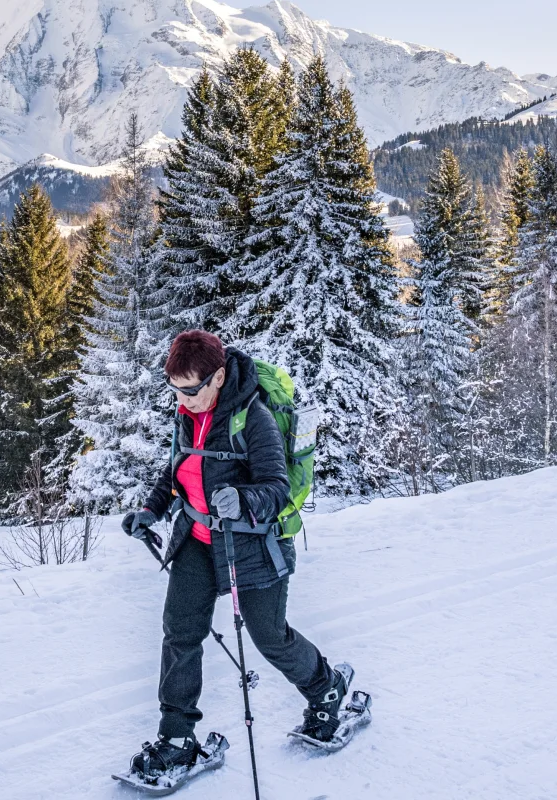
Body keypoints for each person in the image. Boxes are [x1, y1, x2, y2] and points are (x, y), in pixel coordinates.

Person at [122, 329, 347, 779]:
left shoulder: (254, 416)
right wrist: (150, 510)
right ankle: (177, 738)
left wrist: (244, 500)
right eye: (175, 388)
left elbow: (277, 487)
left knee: (270, 637)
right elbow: (176, 474)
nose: (182, 399)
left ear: (218, 377)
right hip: (198, 542)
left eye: (190, 389)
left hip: (252, 546)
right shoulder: (187, 414)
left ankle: (326, 690)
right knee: (180, 633)